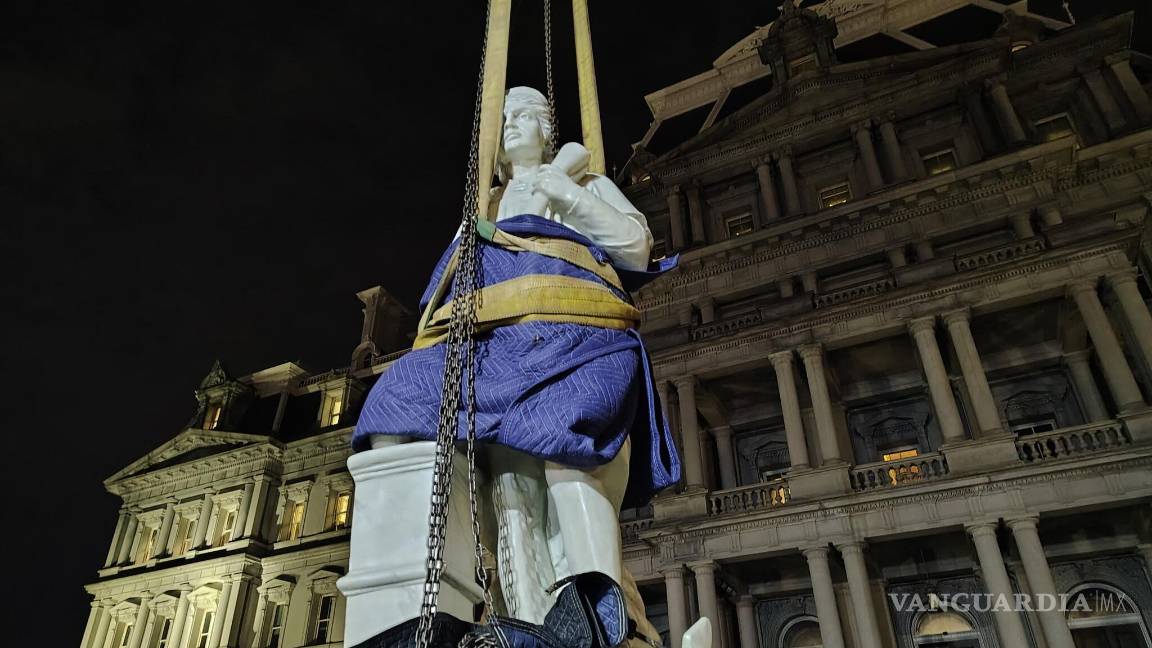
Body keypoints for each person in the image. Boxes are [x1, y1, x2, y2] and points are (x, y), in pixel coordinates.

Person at [353, 86, 680, 646]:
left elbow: (635, 248)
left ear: (549, 131)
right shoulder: (487, 208)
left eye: (526, 115)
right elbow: (444, 290)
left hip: (576, 335)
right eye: (502, 118)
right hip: (493, 345)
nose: (511, 125)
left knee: (565, 433)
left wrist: (569, 197)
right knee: (392, 403)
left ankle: (601, 616)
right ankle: (419, 591)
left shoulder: (586, 182)